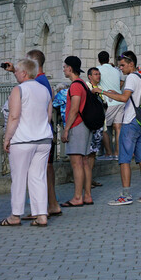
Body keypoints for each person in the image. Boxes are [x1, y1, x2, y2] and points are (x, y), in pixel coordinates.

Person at [3, 50, 61, 217]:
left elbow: (14, 117)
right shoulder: (45, 89)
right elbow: (48, 115)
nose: (15, 75)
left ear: (24, 73)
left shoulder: (19, 90)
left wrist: (7, 138)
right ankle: (41, 214)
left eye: (17, 72)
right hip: (43, 139)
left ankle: (15, 215)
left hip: (23, 140)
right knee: (38, 177)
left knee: (19, 178)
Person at [100, 51, 141, 205]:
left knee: (124, 159)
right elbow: (130, 97)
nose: (120, 68)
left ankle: (126, 195)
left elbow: (124, 99)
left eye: (122, 65)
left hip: (130, 121)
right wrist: (115, 93)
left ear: (131, 64)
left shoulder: (130, 77)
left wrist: (102, 91)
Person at [60, 56, 93, 207]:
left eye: (65, 66)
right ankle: (87, 195)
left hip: (77, 125)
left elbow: (74, 109)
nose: (64, 69)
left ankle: (78, 197)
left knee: (77, 163)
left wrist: (66, 129)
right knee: (85, 162)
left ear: (70, 68)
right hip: (85, 125)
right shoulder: (84, 85)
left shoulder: (75, 86)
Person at [97, 51, 122, 161]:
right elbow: (122, 80)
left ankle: (108, 153)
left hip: (109, 101)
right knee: (118, 128)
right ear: (108, 59)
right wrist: (117, 89)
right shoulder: (116, 70)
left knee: (104, 128)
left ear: (99, 60)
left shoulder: (98, 70)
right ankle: (117, 153)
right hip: (119, 100)